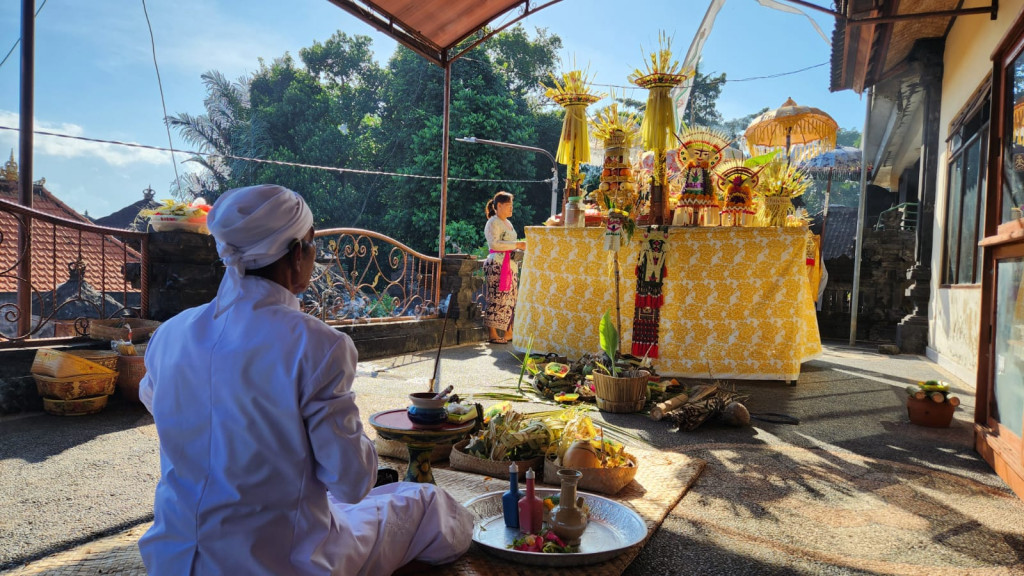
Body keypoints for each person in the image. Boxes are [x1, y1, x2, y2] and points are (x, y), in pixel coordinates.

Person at [137, 184, 472, 576]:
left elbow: (161, 404)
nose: (314, 259)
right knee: (427, 503)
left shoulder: (170, 335)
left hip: (173, 559)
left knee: (366, 500)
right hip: (282, 561)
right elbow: (351, 483)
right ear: (297, 254)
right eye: (314, 248)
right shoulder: (316, 344)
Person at [482, 191, 526, 344]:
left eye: (511, 206)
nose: (511, 209)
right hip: (497, 264)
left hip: (510, 265)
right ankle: (493, 334)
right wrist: (517, 245)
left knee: (510, 299)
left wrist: (518, 248)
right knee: (496, 298)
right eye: (508, 205)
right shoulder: (493, 222)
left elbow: (509, 245)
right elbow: (494, 244)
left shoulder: (508, 223)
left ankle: (508, 332)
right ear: (498, 206)